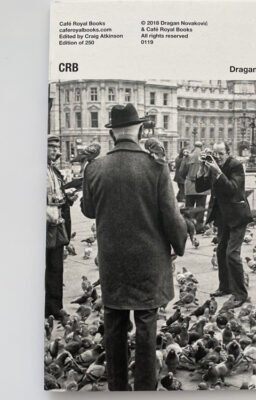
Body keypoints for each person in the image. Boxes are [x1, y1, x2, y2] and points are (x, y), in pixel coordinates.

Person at [81, 103, 187, 391]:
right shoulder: (155, 166)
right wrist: (179, 243)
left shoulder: (95, 167)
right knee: (146, 324)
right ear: (140, 129)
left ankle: (117, 387)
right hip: (148, 260)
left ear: (113, 133)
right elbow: (170, 213)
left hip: (113, 261)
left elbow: (88, 210)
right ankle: (144, 387)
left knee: (113, 323)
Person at [195, 142, 251, 307]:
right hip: (222, 216)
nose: (217, 157)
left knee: (232, 254)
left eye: (220, 154)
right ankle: (225, 287)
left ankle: (240, 294)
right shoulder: (213, 164)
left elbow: (233, 189)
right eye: (215, 153)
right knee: (220, 252)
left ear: (228, 152)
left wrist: (217, 172)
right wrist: (202, 169)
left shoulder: (236, 165)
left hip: (238, 215)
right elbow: (200, 188)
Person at [45, 135, 77, 318]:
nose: (56, 151)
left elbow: (57, 197)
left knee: (56, 267)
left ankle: (55, 307)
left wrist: (67, 199)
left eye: (57, 148)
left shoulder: (54, 171)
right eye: (52, 148)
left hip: (56, 227)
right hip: (45, 226)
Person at [179, 141, 209, 233]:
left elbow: (181, 172)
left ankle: (189, 227)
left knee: (189, 207)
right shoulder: (205, 158)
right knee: (201, 207)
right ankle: (199, 228)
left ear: (194, 146)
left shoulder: (188, 157)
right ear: (202, 146)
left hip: (190, 185)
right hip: (202, 186)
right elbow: (209, 172)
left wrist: (188, 178)